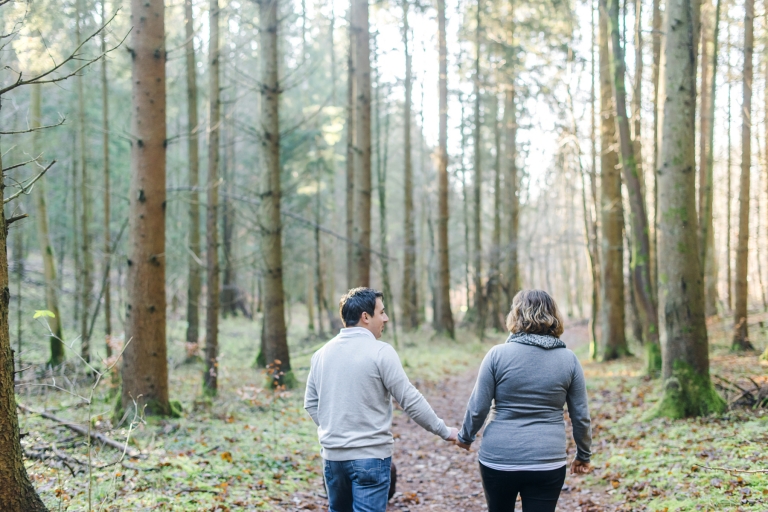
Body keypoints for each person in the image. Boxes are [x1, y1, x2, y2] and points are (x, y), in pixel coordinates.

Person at [304, 287, 459, 512]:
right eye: (381, 312)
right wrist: (445, 431)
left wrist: (336, 427)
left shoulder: (321, 354)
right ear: (365, 317)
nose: (385, 318)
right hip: (370, 458)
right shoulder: (381, 352)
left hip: (333, 459)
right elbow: (410, 400)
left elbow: (310, 403)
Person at [456, 289, 592, 512]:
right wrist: (584, 455)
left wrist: (465, 437)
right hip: (547, 459)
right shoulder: (569, 360)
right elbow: (581, 416)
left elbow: (477, 408)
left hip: (499, 458)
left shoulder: (497, 355)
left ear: (516, 315)